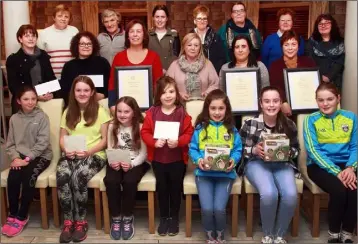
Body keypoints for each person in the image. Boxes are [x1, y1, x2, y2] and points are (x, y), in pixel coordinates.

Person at [239, 86, 299, 244]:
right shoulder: (250, 123)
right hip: (256, 163)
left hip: (282, 163)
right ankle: (267, 235)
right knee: (269, 193)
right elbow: (237, 149)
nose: (271, 105)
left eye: (275, 101)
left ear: (280, 103)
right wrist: (254, 150)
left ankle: (279, 235)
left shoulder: (289, 124)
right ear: (261, 103)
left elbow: (296, 150)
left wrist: (287, 152)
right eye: (267, 101)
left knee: (291, 195)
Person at [57, 76, 111, 243]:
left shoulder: (101, 111)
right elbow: (62, 137)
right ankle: (68, 221)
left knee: (78, 176)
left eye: (86, 90)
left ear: (92, 92)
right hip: (71, 153)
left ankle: (80, 221)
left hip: (94, 154)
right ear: (73, 92)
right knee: (62, 174)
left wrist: (88, 152)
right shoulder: (68, 111)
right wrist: (66, 149)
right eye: (78, 90)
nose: (82, 93)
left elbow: (104, 140)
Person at [304, 83, 356, 243]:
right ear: (316, 101)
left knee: (354, 190)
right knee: (340, 190)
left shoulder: (351, 117)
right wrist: (337, 172)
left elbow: (356, 146)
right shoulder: (310, 120)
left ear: (338, 98)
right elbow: (313, 151)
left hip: (347, 165)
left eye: (329, 99)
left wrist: (350, 168)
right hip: (319, 166)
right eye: (321, 100)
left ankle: (347, 231)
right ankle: (334, 233)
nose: (325, 104)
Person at [141, 76, 194, 236]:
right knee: (162, 189)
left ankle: (174, 218)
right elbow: (145, 132)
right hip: (158, 160)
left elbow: (189, 133)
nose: (168, 95)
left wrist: (178, 142)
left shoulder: (181, 112)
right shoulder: (152, 112)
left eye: (171, 91)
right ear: (158, 95)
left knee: (175, 189)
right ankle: (164, 217)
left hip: (177, 160)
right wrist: (153, 142)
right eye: (164, 93)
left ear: (176, 93)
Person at [188, 89, 242, 244]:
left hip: (225, 175)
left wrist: (233, 160)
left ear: (227, 109)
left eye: (221, 108)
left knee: (219, 209)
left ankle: (220, 234)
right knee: (207, 209)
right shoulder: (200, 128)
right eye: (213, 108)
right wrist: (198, 161)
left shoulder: (232, 129)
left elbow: (238, 149)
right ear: (207, 109)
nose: (217, 112)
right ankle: (209, 234)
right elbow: (193, 148)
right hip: (204, 174)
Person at [2, 86, 52, 237]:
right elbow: (10, 144)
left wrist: (28, 159)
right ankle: (12, 214)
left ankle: (22, 216)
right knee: (13, 177)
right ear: (18, 101)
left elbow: (43, 143)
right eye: (26, 99)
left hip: (41, 156)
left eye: (33, 99)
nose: (30, 102)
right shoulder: (14, 119)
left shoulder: (42, 117)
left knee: (29, 177)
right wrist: (16, 158)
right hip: (20, 158)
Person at [104, 96, 149, 240]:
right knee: (111, 181)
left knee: (130, 181)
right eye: (119, 111)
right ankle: (116, 218)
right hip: (116, 159)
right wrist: (113, 161)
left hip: (136, 161)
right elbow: (110, 147)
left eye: (126, 112)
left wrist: (132, 164)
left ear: (134, 112)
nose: (122, 115)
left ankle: (128, 217)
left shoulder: (141, 126)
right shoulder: (112, 126)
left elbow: (143, 153)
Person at [108, 19, 163, 113]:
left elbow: (159, 85)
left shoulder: (154, 57)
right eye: (131, 31)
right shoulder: (119, 57)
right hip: (123, 111)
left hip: (148, 110)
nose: (135, 34)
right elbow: (112, 84)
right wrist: (112, 105)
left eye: (138, 31)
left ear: (144, 35)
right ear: (127, 36)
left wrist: (154, 107)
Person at [6, 24, 56, 114]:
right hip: (23, 102)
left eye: (33, 35)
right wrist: (34, 96)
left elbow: (51, 78)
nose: (31, 38)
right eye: (27, 36)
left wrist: (52, 93)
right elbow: (13, 86)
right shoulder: (13, 59)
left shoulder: (43, 55)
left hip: (45, 100)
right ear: (20, 39)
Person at [269, 30, 316, 117]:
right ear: (282, 47)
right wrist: (283, 102)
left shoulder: (309, 62)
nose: (290, 48)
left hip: (306, 106)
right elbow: (275, 88)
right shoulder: (275, 65)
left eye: (293, 44)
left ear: (298, 46)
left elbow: (314, 85)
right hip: (283, 109)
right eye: (286, 45)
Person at [60, 31, 110, 106]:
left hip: (100, 104)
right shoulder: (69, 66)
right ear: (76, 46)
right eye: (82, 44)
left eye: (89, 44)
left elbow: (111, 86)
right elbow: (65, 91)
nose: (86, 46)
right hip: (76, 106)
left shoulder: (103, 63)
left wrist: (103, 95)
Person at [166, 33, 219, 102]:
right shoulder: (174, 65)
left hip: (203, 105)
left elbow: (215, 84)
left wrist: (207, 93)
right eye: (189, 45)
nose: (193, 48)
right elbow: (167, 86)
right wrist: (178, 94)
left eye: (196, 45)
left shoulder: (208, 64)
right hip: (180, 106)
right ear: (184, 47)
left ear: (200, 48)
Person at [37, 4, 79, 79]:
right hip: (51, 78)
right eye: (60, 16)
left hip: (72, 76)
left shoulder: (74, 31)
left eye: (66, 16)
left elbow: (79, 54)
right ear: (54, 17)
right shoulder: (44, 33)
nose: (63, 19)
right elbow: (40, 59)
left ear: (69, 19)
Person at [305, 14, 345, 91]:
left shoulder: (340, 42)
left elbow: (340, 61)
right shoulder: (311, 41)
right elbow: (309, 60)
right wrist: (319, 76)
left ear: (332, 25)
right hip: (316, 79)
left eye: (327, 23)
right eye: (320, 24)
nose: (323, 25)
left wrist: (329, 76)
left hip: (335, 81)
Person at [189, 5, 226, 74]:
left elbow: (221, 58)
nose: (202, 21)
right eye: (199, 18)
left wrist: (214, 72)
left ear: (207, 21)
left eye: (204, 18)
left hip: (212, 74)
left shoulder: (216, 37)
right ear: (194, 21)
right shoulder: (189, 37)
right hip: (193, 74)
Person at [148, 4, 180, 72]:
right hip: (151, 74)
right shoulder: (147, 36)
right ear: (153, 18)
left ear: (167, 18)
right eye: (157, 17)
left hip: (170, 75)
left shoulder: (174, 35)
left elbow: (177, 56)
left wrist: (168, 70)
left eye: (163, 17)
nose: (160, 20)